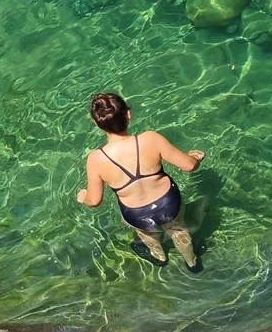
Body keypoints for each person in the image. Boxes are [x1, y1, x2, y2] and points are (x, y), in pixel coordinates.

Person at [76, 92, 206, 271]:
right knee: (178, 230)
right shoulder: (150, 138)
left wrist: (83, 197)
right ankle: (192, 262)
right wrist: (193, 157)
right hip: (169, 203)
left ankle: (159, 256)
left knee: (146, 234)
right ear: (128, 114)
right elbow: (190, 166)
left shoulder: (95, 159)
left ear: (97, 124)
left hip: (137, 214)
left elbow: (95, 201)